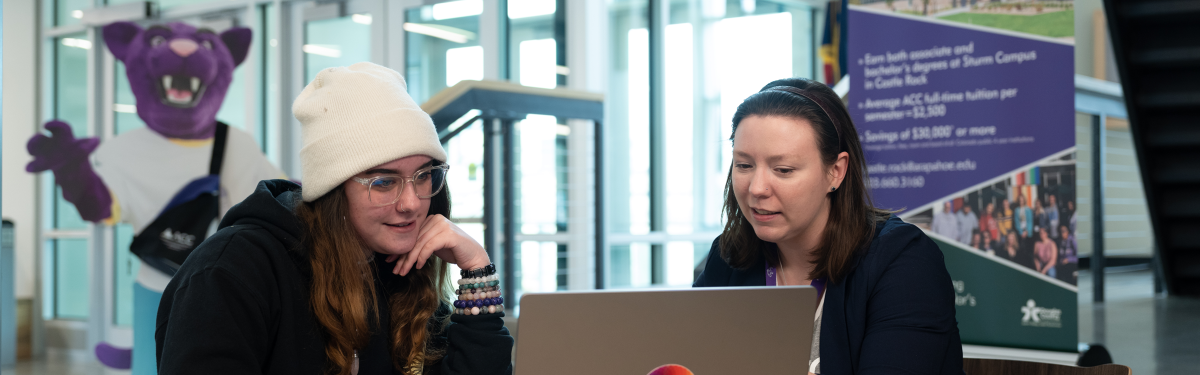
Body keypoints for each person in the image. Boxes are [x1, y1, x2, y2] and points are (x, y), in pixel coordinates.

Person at [156, 63, 514, 375]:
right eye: (383, 182)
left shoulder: (401, 269)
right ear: (333, 189)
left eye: (424, 175)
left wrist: (476, 270)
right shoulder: (231, 273)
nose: (411, 203)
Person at [692, 78, 963, 375]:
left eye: (783, 170)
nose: (757, 188)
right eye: (744, 165)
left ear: (836, 171)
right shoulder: (729, 257)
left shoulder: (903, 263)